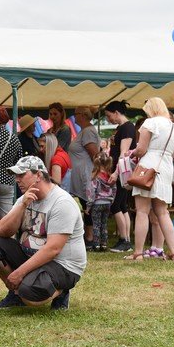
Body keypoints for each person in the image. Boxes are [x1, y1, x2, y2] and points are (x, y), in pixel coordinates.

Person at [0, 156, 86, 311]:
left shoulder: (62, 202)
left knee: (28, 293)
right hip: (33, 256)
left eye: (22, 175)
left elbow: (53, 249)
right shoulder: (25, 197)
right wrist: (22, 205)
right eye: (16, 175)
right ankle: (15, 294)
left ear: (39, 175)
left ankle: (61, 291)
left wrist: (19, 273)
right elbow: (3, 231)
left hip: (62, 265)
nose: (17, 179)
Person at [125, 97, 174, 261]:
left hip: (148, 166)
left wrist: (132, 153)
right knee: (163, 213)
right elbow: (172, 153)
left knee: (142, 211)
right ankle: (173, 252)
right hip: (165, 168)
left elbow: (142, 149)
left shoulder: (150, 123)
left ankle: (138, 253)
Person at [104, 100, 137, 253]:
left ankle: (124, 240)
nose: (108, 119)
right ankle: (126, 239)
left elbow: (124, 154)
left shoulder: (127, 128)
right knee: (122, 205)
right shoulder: (121, 128)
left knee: (115, 205)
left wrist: (116, 172)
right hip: (120, 170)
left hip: (123, 171)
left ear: (116, 113)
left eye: (109, 116)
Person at [68, 106, 101, 248]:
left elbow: (95, 154)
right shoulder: (85, 131)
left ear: (82, 115)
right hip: (83, 174)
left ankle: (90, 237)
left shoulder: (87, 132)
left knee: (88, 205)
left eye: (75, 114)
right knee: (86, 204)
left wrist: (96, 173)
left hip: (86, 175)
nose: (74, 116)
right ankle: (89, 236)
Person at [85, 152, 116, 252]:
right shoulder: (110, 176)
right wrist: (111, 200)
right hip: (107, 203)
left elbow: (91, 193)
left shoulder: (95, 177)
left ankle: (96, 245)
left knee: (96, 224)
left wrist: (88, 207)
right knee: (104, 224)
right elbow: (114, 189)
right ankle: (104, 244)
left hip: (97, 203)